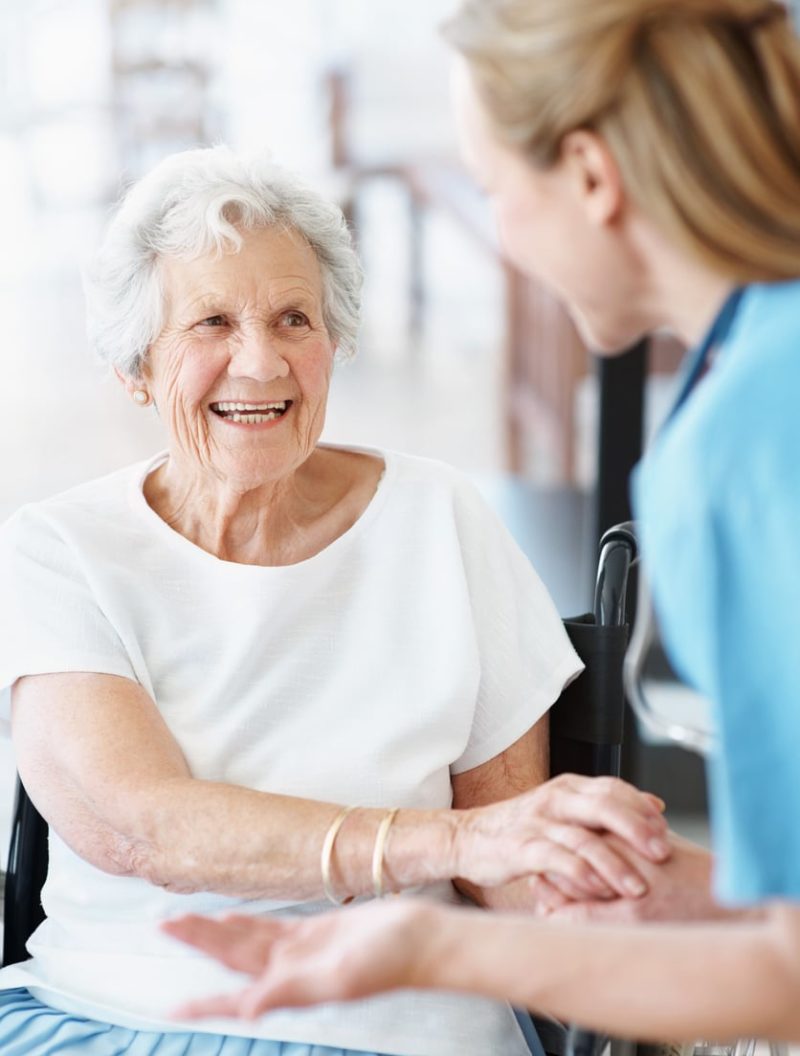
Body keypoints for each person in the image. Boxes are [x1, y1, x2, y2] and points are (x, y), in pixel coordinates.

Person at [162, 0, 800, 1044]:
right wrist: (667, 885)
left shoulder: (731, 458)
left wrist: (431, 946)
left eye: (496, 190)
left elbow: (783, 976)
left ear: (592, 178)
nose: (498, 236)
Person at [0, 146, 671, 1056]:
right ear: (135, 367)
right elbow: (142, 828)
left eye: (293, 318)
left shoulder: (440, 519)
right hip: (111, 1016)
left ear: (334, 341)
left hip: (397, 1029)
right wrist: (449, 843)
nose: (261, 361)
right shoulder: (58, 549)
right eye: (210, 322)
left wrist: (619, 904)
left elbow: (507, 870)